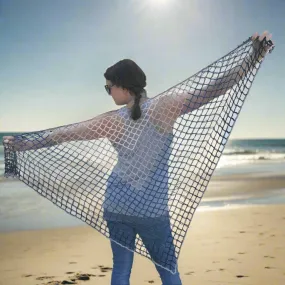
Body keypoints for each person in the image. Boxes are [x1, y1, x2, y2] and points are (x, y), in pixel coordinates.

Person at [3, 31, 273, 285]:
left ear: (122, 86)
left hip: (116, 204)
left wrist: (22, 144)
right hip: (152, 208)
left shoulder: (111, 121)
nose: (108, 92)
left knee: (120, 269)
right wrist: (253, 58)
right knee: (168, 272)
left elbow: (62, 135)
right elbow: (214, 88)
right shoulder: (166, 106)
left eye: (108, 87)